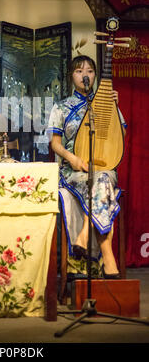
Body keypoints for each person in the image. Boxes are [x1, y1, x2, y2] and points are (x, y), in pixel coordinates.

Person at [47, 55, 127, 278]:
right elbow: (55, 144)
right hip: (73, 171)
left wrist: (114, 107)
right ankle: (107, 257)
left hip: (103, 168)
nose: (85, 75)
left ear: (95, 76)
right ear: (72, 76)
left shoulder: (106, 103)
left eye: (90, 71)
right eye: (79, 71)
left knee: (101, 177)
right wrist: (72, 158)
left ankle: (84, 232)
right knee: (101, 181)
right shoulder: (61, 107)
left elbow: (121, 136)